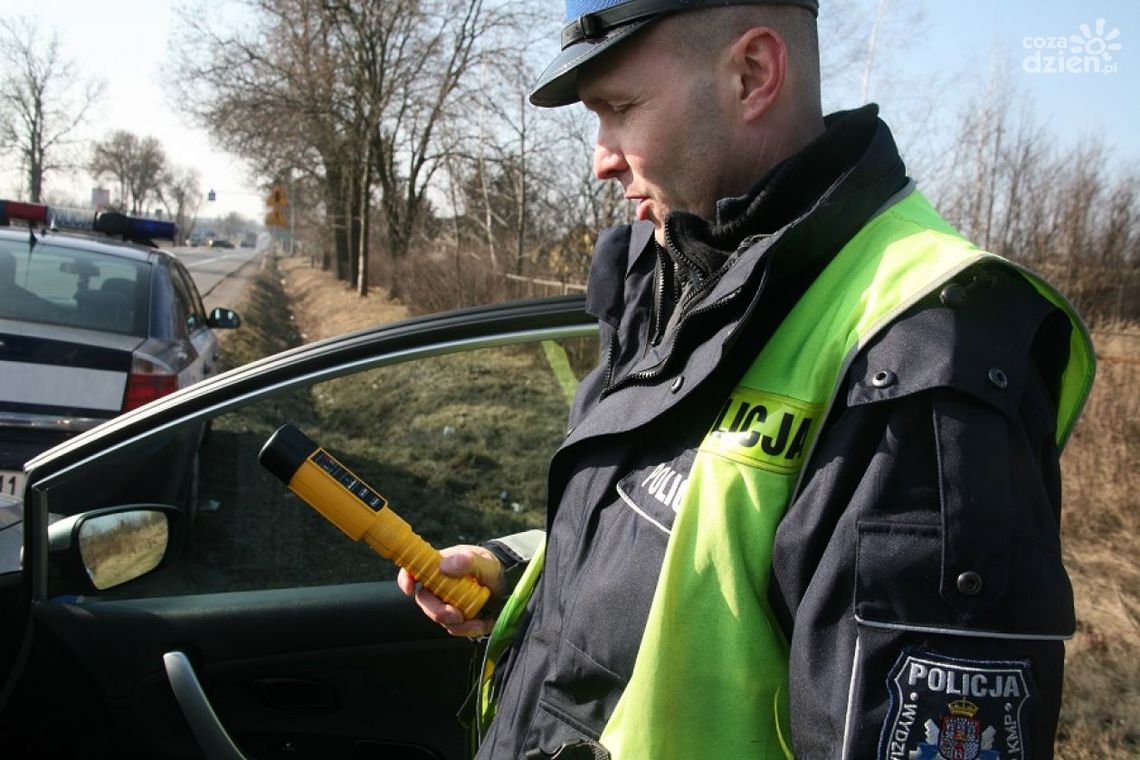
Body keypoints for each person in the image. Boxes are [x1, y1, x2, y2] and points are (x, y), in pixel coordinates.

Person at [398, 1, 1096, 757]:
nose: (600, 155)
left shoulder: (925, 356)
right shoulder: (674, 272)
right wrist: (518, 573)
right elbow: (689, 560)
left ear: (752, 74)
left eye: (621, 109)